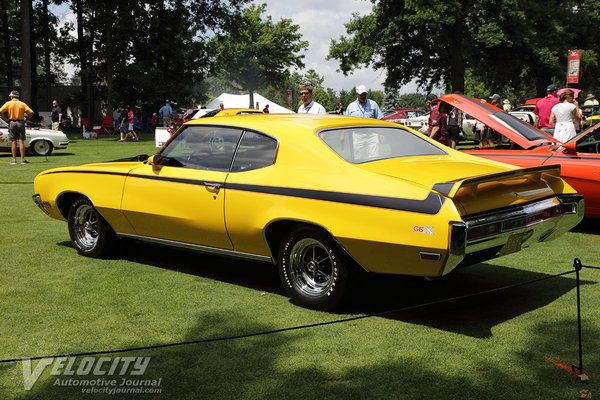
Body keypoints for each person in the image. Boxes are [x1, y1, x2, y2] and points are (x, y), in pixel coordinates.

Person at [0, 90, 33, 164]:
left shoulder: (8, 103)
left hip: (12, 122)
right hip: (21, 122)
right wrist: (26, 120)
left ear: (12, 96)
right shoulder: (22, 104)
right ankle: (22, 159)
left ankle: (14, 160)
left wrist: (5, 119)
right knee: (21, 141)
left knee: (14, 142)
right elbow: (31, 112)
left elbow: (0, 111)